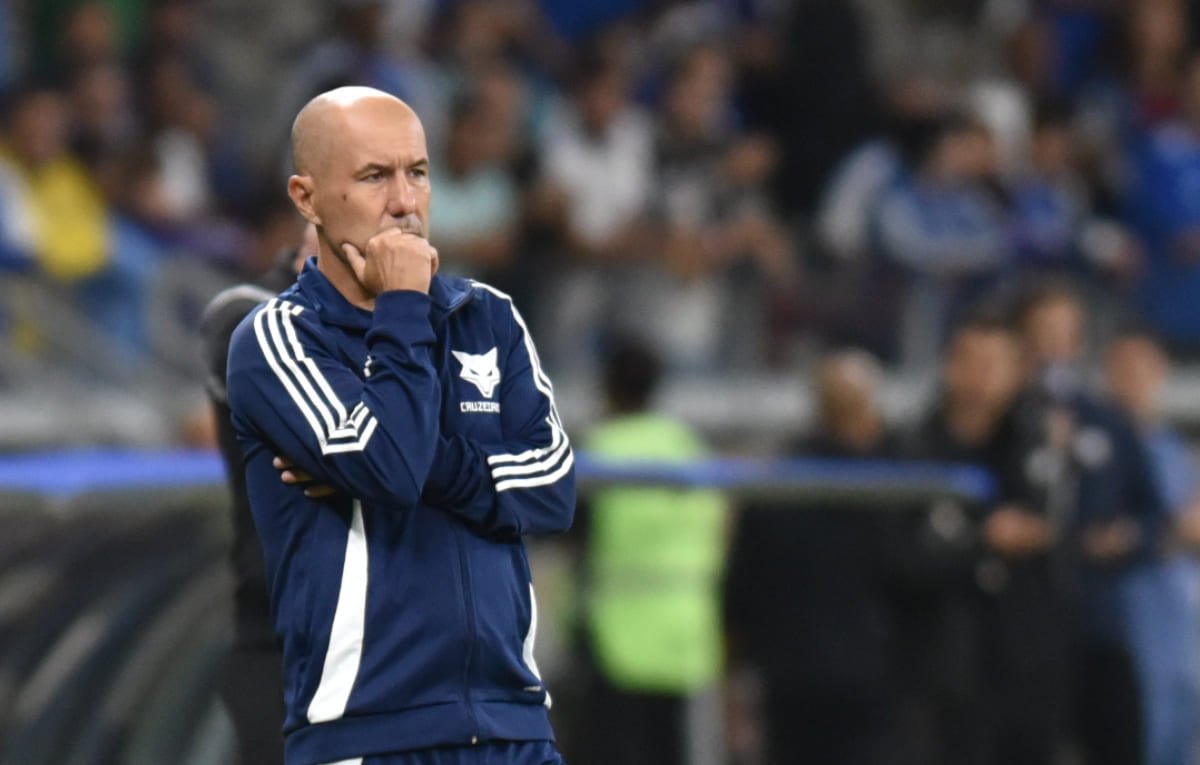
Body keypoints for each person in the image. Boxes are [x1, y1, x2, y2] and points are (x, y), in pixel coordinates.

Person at [224, 86, 575, 765]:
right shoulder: (277, 341)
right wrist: (405, 307)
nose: (405, 201)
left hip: (515, 729)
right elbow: (389, 468)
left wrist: (423, 463)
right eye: (373, 176)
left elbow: (554, 486)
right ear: (306, 197)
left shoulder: (488, 316)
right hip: (368, 732)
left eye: (417, 171)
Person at [724, 349, 900, 765]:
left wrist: (737, 674)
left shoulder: (779, 483)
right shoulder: (897, 481)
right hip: (869, 673)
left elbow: (739, 594)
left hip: (791, 673)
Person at [572, 335, 727, 765]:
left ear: (607, 386)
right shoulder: (689, 447)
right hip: (685, 628)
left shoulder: (600, 448)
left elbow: (570, 534)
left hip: (616, 631)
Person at [201, 223, 315, 765]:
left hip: (398, 639)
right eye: (371, 178)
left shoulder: (440, 318)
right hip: (279, 632)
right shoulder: (244, 313)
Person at [1105, 325, 1200, 765]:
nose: (1135, 379)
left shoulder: (1173, 449)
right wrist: (1168, 533)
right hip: (1127, 608)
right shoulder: (1100, 448)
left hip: (1182, 612)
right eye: (1124, 368)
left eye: (1144, 368)